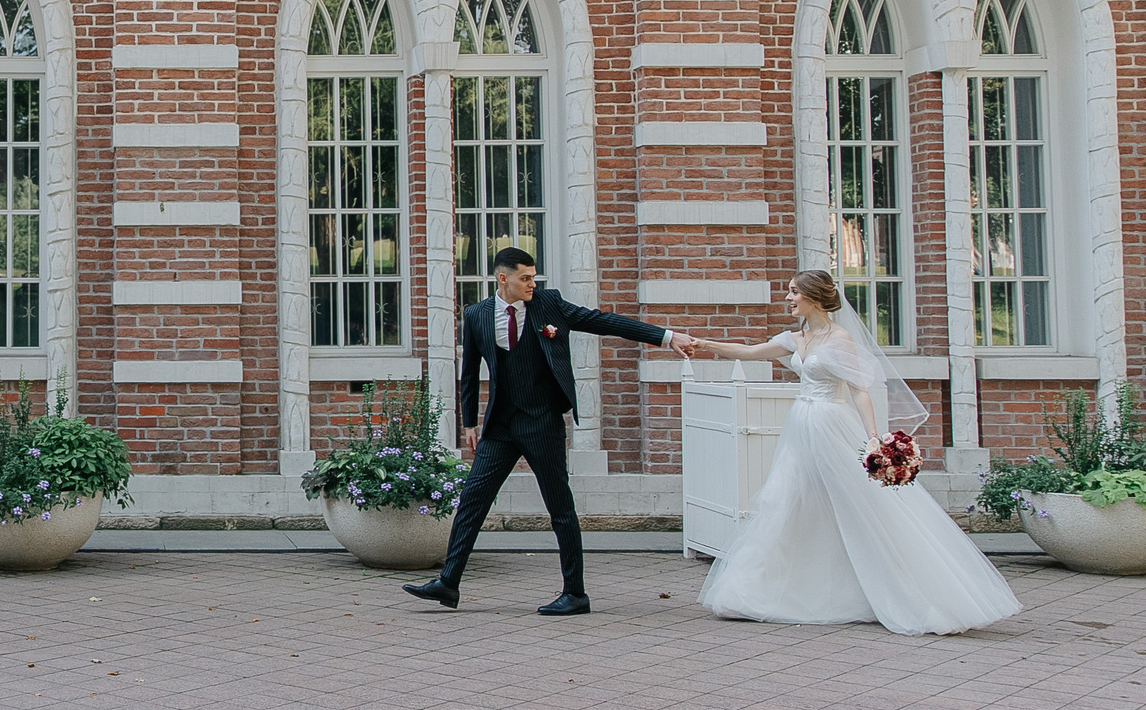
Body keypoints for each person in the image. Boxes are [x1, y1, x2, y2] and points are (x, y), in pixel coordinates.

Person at [687, 269, 1021, 637]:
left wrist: (873, 437)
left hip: (831, 424)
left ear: (813, 297)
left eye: (794, 292)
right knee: (787, 499)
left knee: (855, 503)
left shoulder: (839, 338)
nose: (787, 298)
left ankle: (903, 590)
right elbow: (750, 352)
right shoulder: (795, 337)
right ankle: (759, 591)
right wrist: (703, 344)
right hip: (800, 427)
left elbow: (860, 389)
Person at [404, 247, 693, 615]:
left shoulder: (548, 304)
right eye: (525, 278)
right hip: (501, 425)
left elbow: (602, 320)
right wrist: (469, 422)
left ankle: (575, 593)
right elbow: (470, 371)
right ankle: (449, 583)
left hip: (542, 422)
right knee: (472, 501)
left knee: (560, 509)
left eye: (534, 277)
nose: (532, 284)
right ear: (502, 278)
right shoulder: (476, 314)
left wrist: (667, 337)